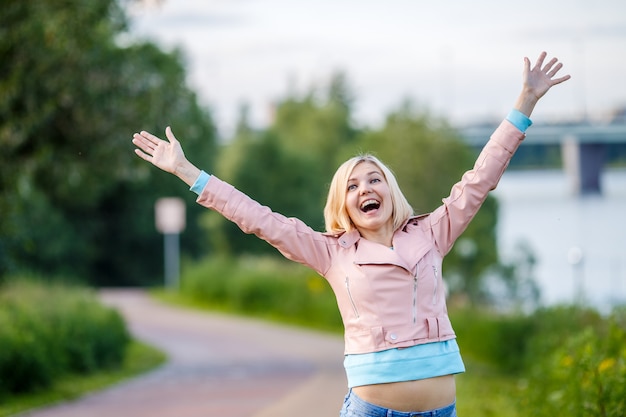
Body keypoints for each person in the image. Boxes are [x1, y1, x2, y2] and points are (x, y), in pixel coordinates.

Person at [132, 51, 570, 417]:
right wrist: (189, 173)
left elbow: (480, 179)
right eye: (352, 186)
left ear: (390, 189)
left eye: (373, 179)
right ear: (343, 205)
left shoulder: (433, 234)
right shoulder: (331, 253)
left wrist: (525, 103)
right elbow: (258, 217)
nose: (365, 189)